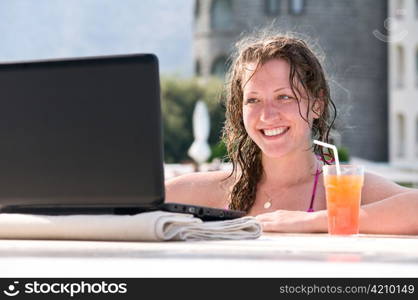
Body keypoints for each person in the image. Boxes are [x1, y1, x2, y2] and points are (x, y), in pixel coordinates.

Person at [165, 32, 418, 235]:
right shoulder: (218, 189)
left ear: (316, 104)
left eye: (283, 97)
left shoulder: (345, 191)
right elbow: (134, 202)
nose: (267, 114)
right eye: (253, 100)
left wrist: (314, 221)